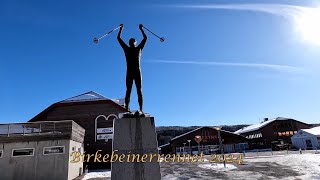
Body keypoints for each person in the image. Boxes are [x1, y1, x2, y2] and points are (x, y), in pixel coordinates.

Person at [117, 24, 147, 113]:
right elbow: (119, 38)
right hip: (129, 72)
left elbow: (145, 38)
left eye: (133, 41)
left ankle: (141, 109)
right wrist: (121, 29)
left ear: (135, 42)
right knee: (128, 91)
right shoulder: (126, 49)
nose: (132, 41)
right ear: (129, 43)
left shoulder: (139, 49)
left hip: (137, 72)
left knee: (139, 90)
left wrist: (142, 29)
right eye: (131, 41)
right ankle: (127, 109)